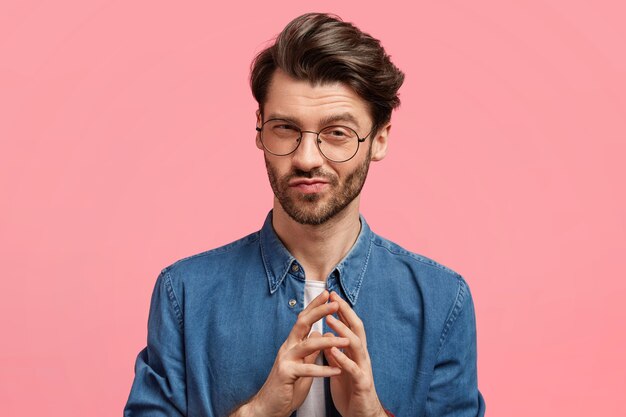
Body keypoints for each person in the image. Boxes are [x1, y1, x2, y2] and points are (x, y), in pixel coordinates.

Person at [124, 12, 485, 417]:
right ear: (259, 129)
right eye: (285, 129)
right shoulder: (184, 295)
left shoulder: (440, 301)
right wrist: (258, 412)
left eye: (337, 133)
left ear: (379, 139)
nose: (307, 158)